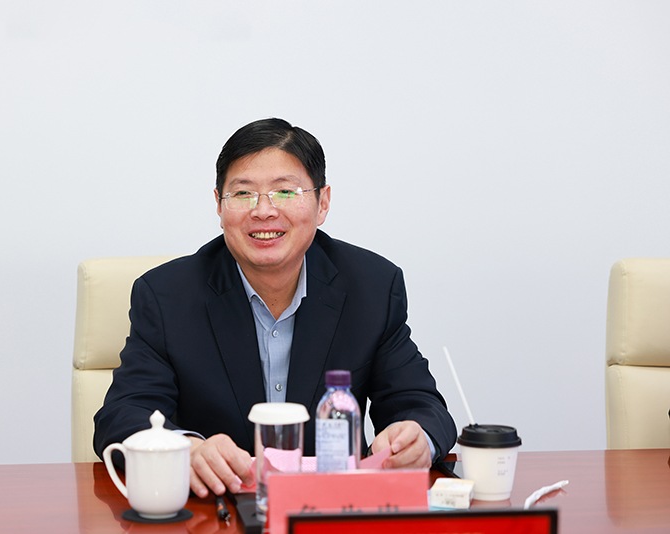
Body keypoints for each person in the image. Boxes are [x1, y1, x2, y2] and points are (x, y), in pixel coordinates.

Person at [93, 118, 456, 498]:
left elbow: (420, 405)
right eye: (243, 193)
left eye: (285, 191)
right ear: (219, 204)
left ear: (323, 203)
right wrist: (186, 450)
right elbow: (122, 416)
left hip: (327, 508)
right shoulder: (167, 296)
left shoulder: (371, 287)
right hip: (215, 509)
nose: (264, 211)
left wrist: (417, 437)